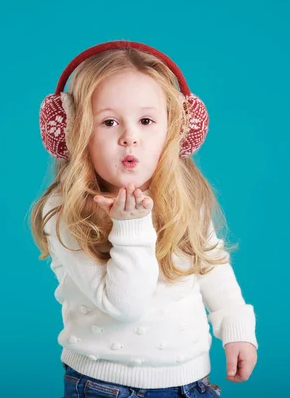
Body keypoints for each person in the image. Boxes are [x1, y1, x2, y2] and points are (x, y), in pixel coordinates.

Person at [30, 40, 258, 397]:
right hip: (106, 386)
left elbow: (211, 265)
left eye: (147, 120)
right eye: (108, 122)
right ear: (75, 132)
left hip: (191, 382)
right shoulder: (64, 212)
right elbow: (124, 306)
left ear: (174, 130)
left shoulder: (184, 198)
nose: (129, 137)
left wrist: (235, 325)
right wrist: (130, 226)